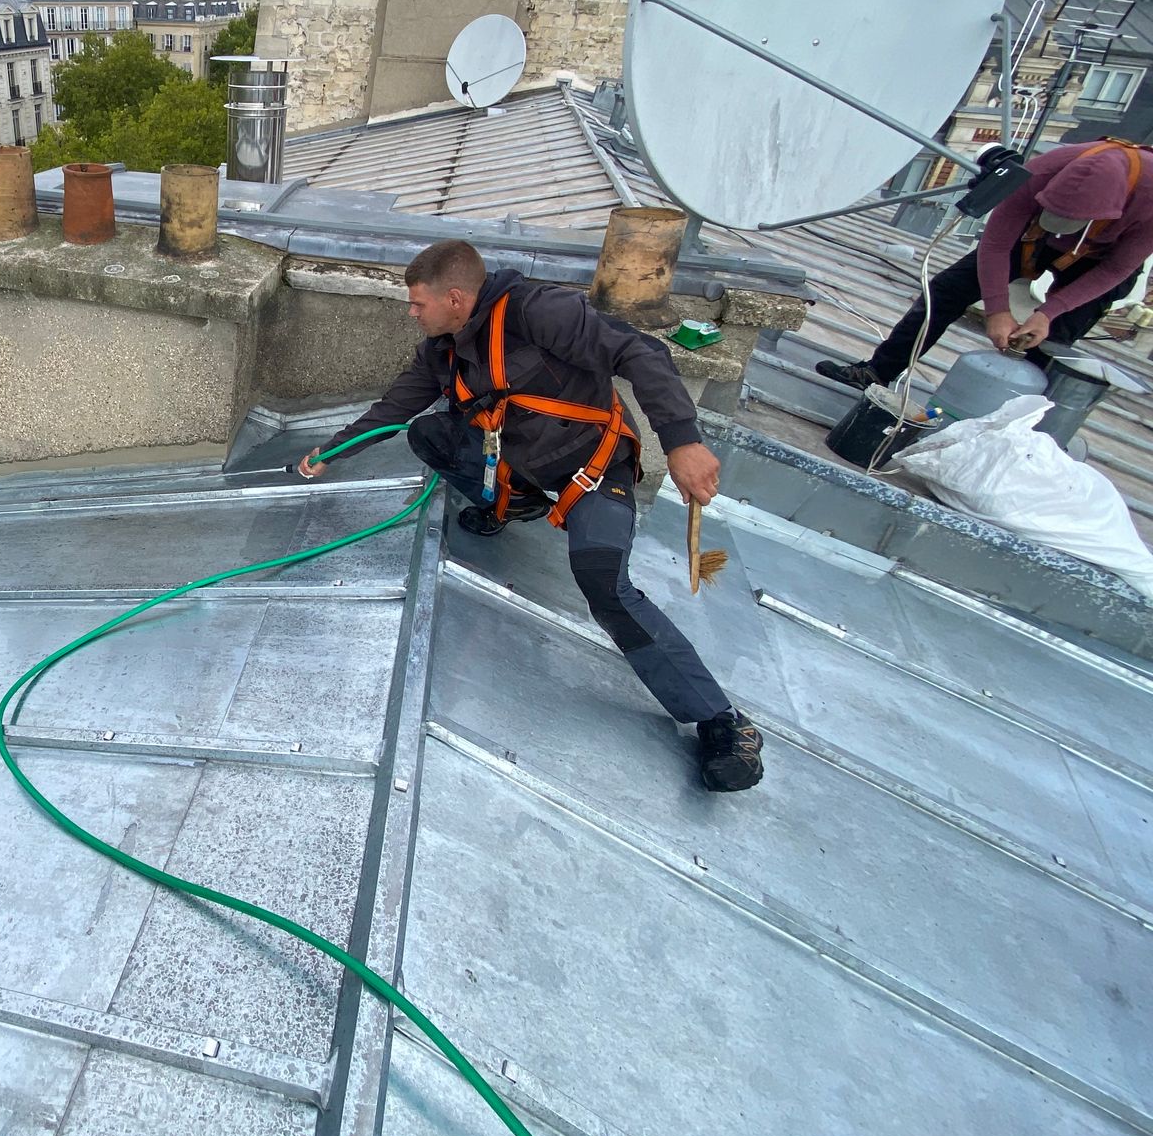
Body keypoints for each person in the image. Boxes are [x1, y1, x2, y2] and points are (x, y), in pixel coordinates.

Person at [298, 239, 763, 793]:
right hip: (518, 468)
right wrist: (327, 454)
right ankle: (517, 504)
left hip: (592, 471)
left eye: (418, 304)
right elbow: (394, 410)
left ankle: (721, 721)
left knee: (603, 583)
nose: (412, 313)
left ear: (454, 297)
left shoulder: (539, 312)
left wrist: (683, 441)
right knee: (429, 434)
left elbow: (641, 354)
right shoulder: (442, 351)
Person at [818, 138, 1153, 391]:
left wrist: (1048, 312)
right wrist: (997, 310)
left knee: (1052, 340)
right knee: (945, 292)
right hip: (1030, 236)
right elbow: (995, 245)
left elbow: (1115, 270)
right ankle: (878, 373)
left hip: (1099, 258)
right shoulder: (1039, 173)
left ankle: (1004, 422)